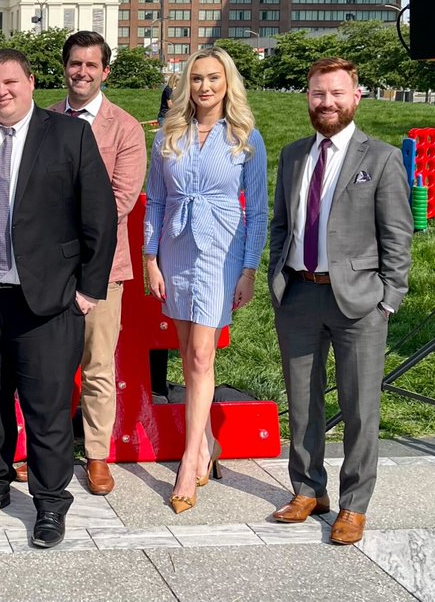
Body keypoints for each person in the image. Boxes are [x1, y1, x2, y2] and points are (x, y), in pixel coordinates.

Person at [0, 49, 116, 549]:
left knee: (46, 408)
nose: (1, 93)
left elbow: (98, 219)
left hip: (46, 301)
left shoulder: (68, 134)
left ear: (31, 82)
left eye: (11, 82)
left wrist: (86, 292)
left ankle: (50, 501)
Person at [268, 57, 411, 546]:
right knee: (303, 404)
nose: (326, 102)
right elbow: (281, 224)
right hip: (301, 295)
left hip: (360, 302)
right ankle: (309, 490)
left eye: (335, 93)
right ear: (307, 97)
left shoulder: (382, 157)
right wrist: (277, 279)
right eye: (317, 94)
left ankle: (353, 504)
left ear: (356, 96)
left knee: (359, 408)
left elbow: (398, 235)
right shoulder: (292, 155)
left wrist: (388, 298)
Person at [143, 47, 267, 514]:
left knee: (200, 354)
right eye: (196, 79)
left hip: (221, 252)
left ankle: (188, 458)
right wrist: (150, 258)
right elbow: (154, 200)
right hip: (175, 250)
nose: (205, 87)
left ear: (227, 83)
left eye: (214, 78)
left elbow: (256, 211)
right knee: (186, 354)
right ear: (185, 84)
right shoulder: (168, 136)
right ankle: (207, 440)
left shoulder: (245, 138)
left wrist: (250, 269)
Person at [52, 31, 146, 496]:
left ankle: (96, 455)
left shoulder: (123, 127)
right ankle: (42, 451)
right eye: (74, 63)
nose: (81, 72)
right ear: (64, 67)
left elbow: (120, 200)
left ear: (105, 71)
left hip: (102, 269)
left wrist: (57, 229)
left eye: (91, 65)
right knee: (43, 365)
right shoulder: (44, 119)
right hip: (45, 268)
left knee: (97, 366)